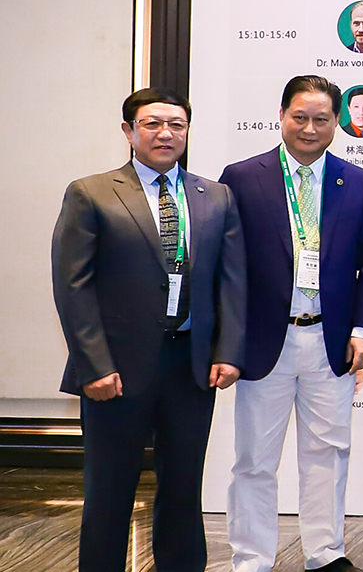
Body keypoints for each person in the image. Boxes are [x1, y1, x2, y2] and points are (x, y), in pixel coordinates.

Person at [53, 89, 245, 572]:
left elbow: (231, 281)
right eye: (153, 123)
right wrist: (94, 366)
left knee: (183, 488)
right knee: (109, 490)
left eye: (176, 125)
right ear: (129, 131)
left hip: (191, 365)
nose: (166, 134)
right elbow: (73, 287)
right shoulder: (91, 192)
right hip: (116, 367)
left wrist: (227, 351)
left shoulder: (215, 196)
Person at [222, 75, 363, 572]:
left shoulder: (358, 182)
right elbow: (227, 267)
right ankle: (252, 558)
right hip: (264, 340)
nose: (310, 129)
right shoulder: (242, 177)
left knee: (329, 452)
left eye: (321, 119)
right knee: (255, 459)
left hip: (329, 339)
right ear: (281, 116)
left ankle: (326, 553)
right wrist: (227, 341)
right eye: (300, 117)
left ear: (337, 122)